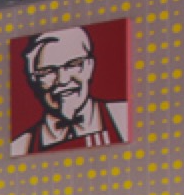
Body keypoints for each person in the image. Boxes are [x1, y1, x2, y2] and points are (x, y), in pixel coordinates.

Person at [10, 26, 130, 157]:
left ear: (90, 66)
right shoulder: (19, 147)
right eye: (48, 71)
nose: (63, 80)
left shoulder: (124, 117)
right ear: (33, 79)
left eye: (73, 64)